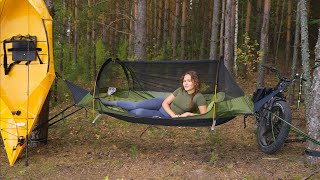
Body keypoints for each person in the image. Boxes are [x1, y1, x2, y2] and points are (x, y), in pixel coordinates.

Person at [100, 70, 207, 118]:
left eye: (188, 80)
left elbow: (204, 116)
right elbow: (165, 102)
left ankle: (117, 111)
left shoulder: (199, 97)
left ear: (195, 81)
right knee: (135, 105)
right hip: (160, 104)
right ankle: (110, 103)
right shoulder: (180, 90)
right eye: (184, 81)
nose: (186, 83)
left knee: (138, 112)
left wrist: (188, 114)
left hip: (164, 116)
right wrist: (174, 115)